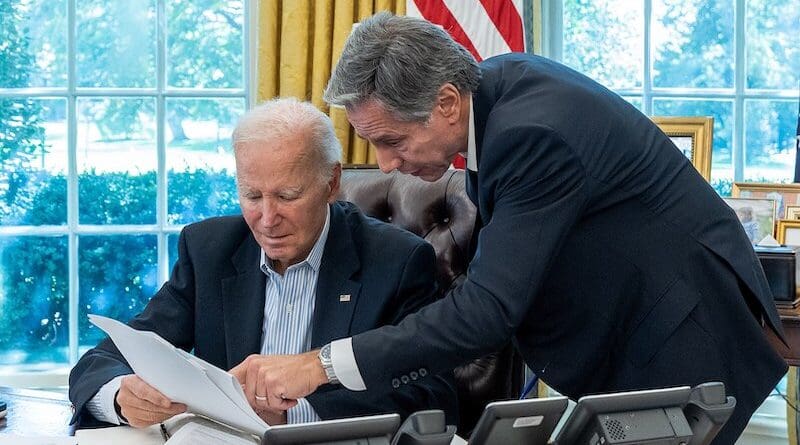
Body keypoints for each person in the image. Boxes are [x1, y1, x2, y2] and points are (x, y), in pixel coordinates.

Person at [231, 13, 788, 444]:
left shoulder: (531, 135)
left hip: (685, 344)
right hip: (641, 335)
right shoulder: (496, 92)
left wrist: (320, 364)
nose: (383, 164)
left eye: (393, 141)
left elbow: (489, 310)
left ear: (446, 102)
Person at [68, 97, 458, 428]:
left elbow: (432, 396)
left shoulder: (397, 261)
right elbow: (103, 360)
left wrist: (295, 415)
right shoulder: (210, 250)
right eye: (252, 196)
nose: (267, 219)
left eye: (287, 196)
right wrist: (120, 397)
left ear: (331, 182)